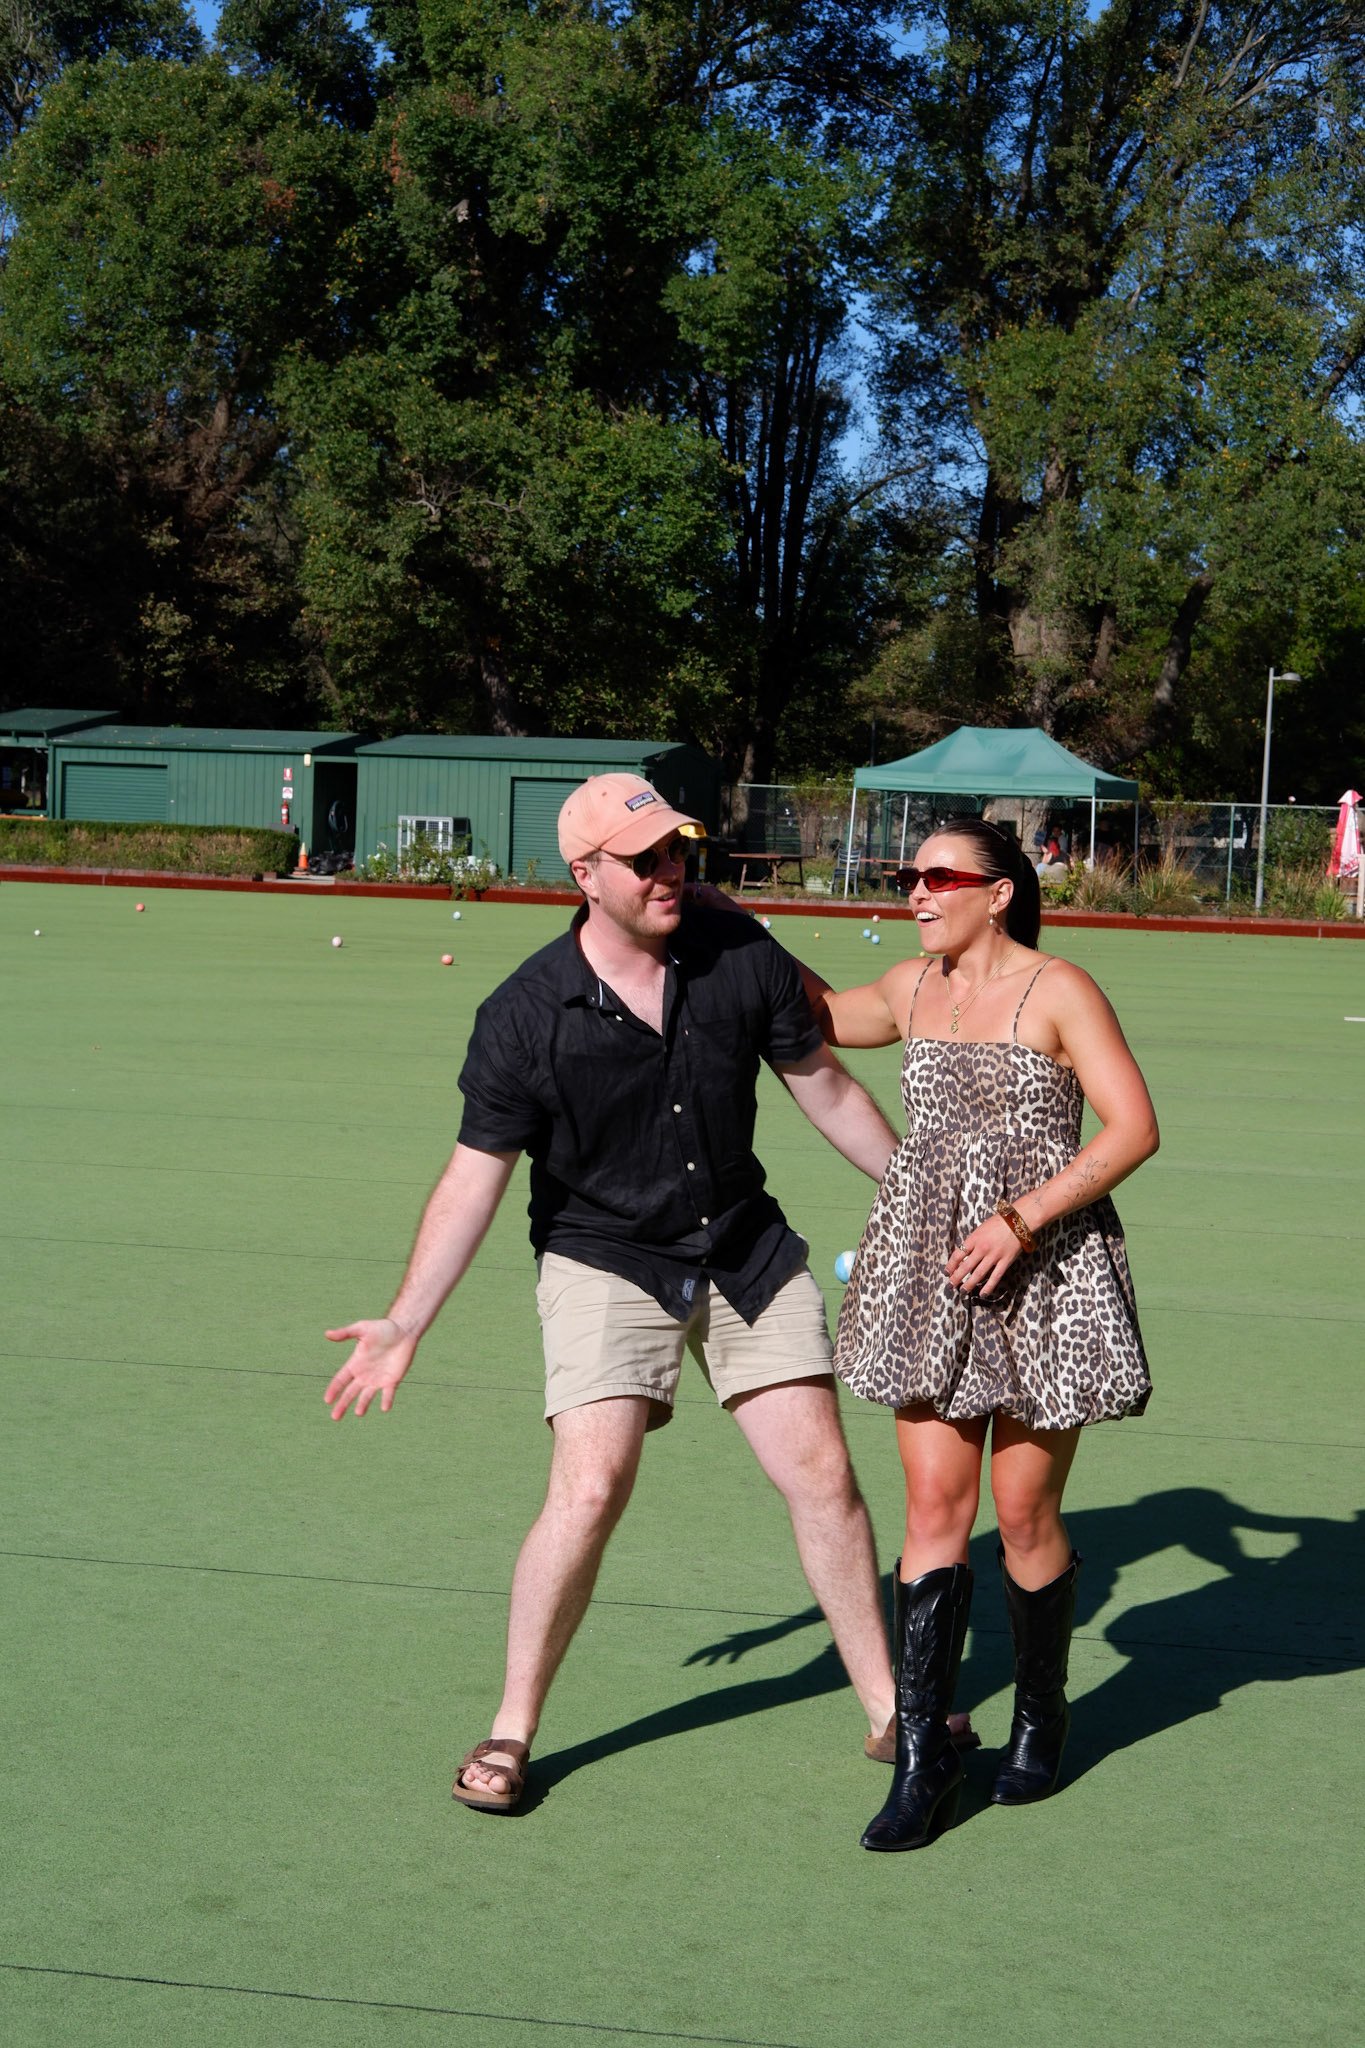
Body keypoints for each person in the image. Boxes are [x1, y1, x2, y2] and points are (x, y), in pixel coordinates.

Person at [323, 772, 939, 1816]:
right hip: (604, 1255)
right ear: (585, 874)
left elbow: (827, 1087)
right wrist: (405, 1317)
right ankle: (512, 1726)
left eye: (677, 850)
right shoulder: (524, 1013)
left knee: (823, 1473)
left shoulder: (739, 951)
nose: (670, 871)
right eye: (644, 859)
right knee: (591, 1486)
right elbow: (475, 1176)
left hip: (742, 1245)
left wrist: (920, 1198)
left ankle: (887, 1709)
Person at [796, 815, 1158, 1851]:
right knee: (933, 1507)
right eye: (908, 876)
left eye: (939, 876)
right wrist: (715, 916)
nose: (916, 891)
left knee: (1024, 1511)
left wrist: (1020, 1218)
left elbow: (1134, 1126)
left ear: (998, 892)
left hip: (1045, 1272)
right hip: (934, 1275)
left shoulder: (1060, 989)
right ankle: (924, 1757)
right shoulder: (909, 988)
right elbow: (812, 1011)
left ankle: (1041, 1716)